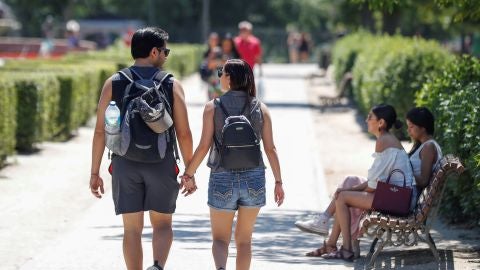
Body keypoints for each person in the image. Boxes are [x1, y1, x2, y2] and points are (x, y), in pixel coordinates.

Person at [89, 27, 193, 270]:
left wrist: (95, 172)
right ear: (154, 51)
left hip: (125, 162)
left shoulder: (113, 83)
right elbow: (184, 133)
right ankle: (157, 266)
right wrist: (189, 170)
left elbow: (100, 131)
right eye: (165, 51)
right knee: (163, 225)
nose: (166, 56)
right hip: (162, 162)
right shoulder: (171, 84)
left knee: (132, 230)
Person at [180, 59, 285, 270]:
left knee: (220, 239)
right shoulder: (260, 107)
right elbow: (271, 149)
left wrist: (188, 174)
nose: (219, 75)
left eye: (222, 72)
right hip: (255, 177)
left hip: (222, 176)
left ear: (229, 78)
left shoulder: (213, 107)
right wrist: (278, 181)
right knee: (245, 240)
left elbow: (203, 147)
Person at [297, 104, 415, 260]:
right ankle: (330, 240)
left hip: (398, 200)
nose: (366, 120)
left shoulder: (384, 141)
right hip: (394, 195)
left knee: (342, 198)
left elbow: (373, 186)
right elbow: (375, 181)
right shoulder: (386, 139)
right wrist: (353, 188)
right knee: (349, 181)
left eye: (370, 117)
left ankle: (346, 248)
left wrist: (350, 192)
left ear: (380, 123)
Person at [406, 107, 443, 202]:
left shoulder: (429, 147)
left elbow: (423, 181)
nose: (408, 130)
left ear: (423, 127)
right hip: (409, 194)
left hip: (410, 198)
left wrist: (404, 169)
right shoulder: (424, 145)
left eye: (411, 127)